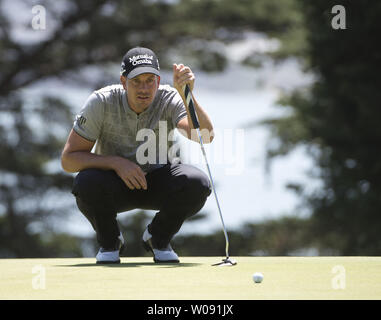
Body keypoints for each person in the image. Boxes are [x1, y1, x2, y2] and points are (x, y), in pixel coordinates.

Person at [61, 47, 214, 264]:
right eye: (136, 81)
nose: (144, 88)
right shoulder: (101, 101)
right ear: (124, 82)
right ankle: (110, 242)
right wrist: (115, 163)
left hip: (157, 180)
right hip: (112, 186)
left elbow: (204, 136)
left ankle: (158, 239)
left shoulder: (170, 98)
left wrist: (187, 94)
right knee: (86, 183)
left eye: (150, 80)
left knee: (196, 183)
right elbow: (69, 159)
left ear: (158, 81)